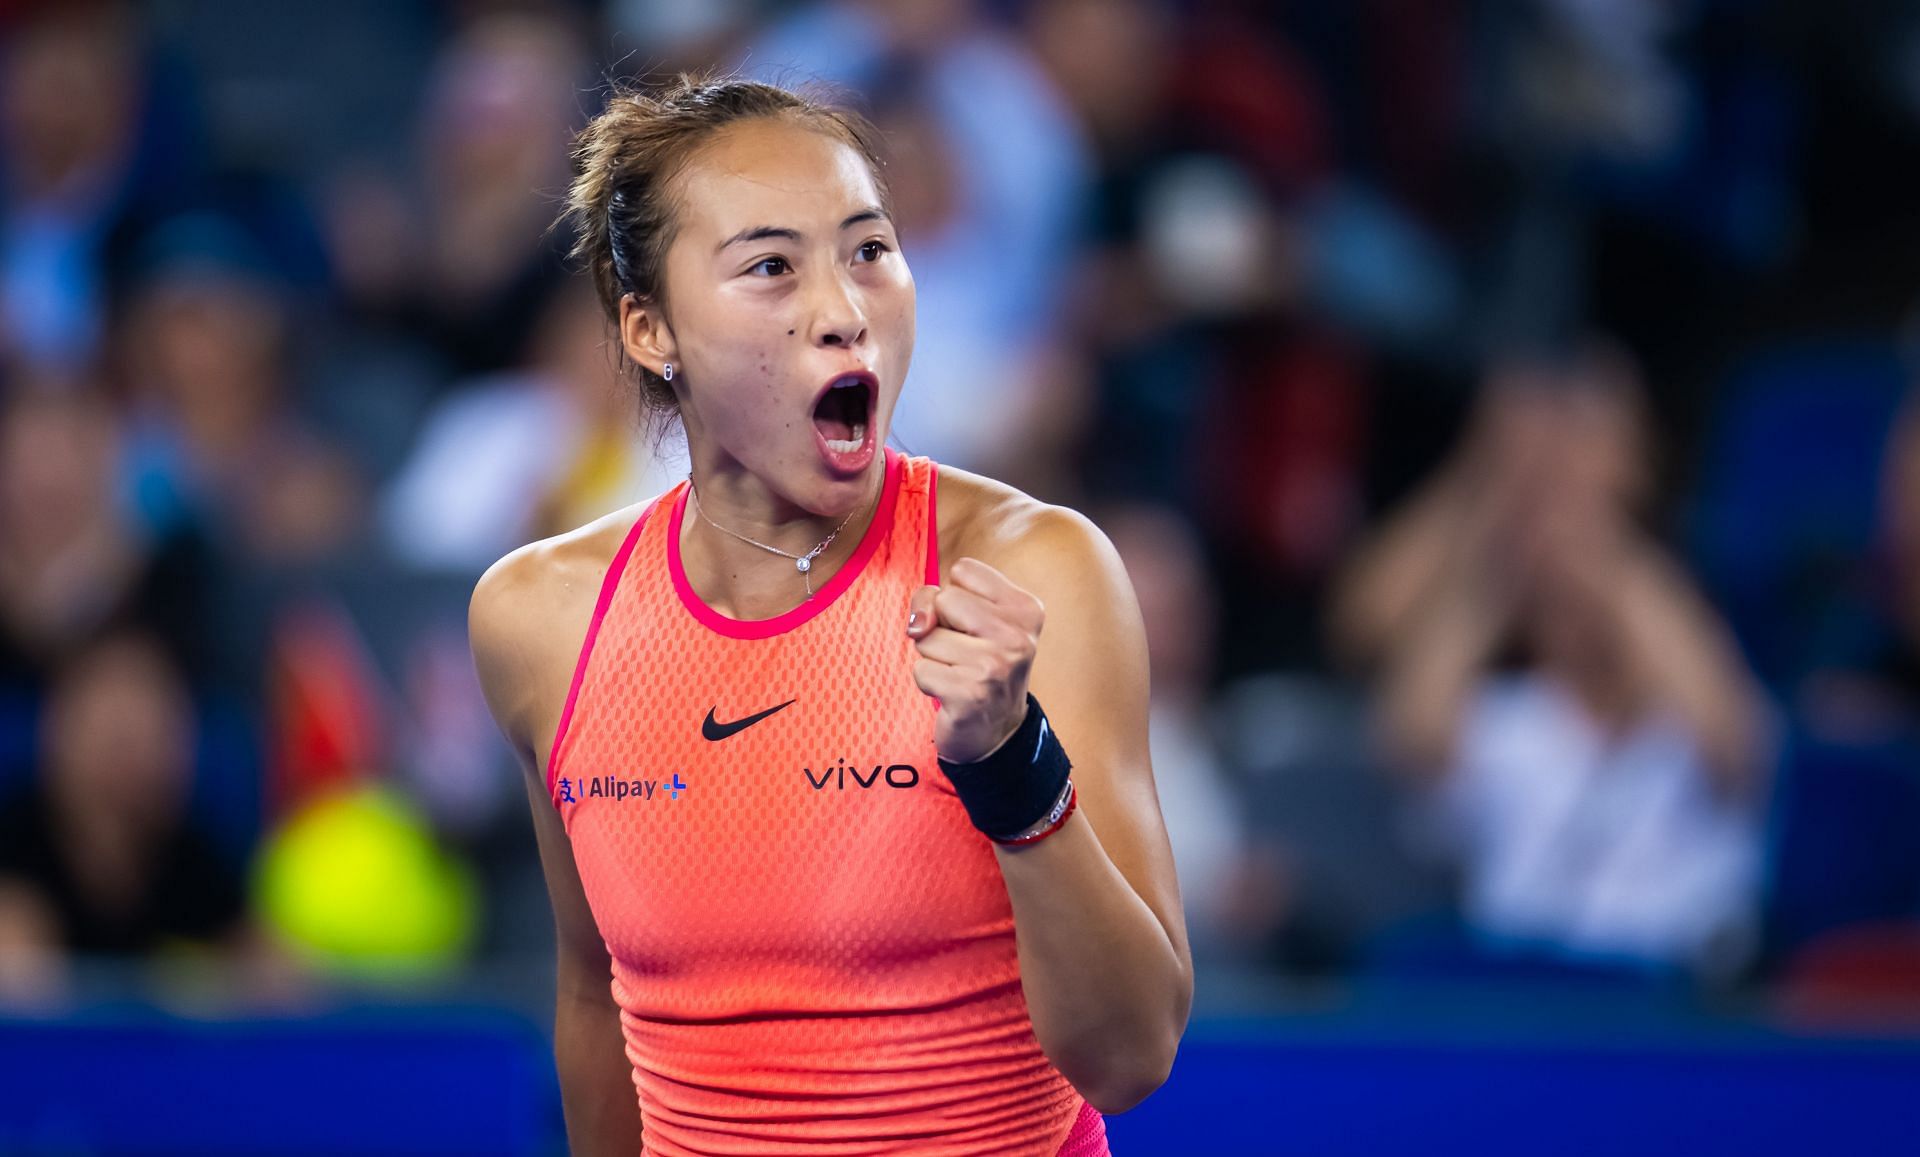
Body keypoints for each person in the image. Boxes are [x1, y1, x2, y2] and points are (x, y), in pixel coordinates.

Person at [467, 73, 1190, 1156]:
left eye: (869, 250)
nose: (844, 309)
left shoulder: (1039, 569)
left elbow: (1130, 1054)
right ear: (651, 328)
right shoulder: (539, 619)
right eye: (771, 267)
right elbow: (594, 994)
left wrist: (1010, 761)